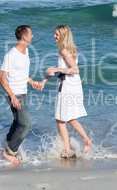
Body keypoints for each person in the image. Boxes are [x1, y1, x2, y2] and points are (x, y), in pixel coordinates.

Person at [39, 25, 91, 158]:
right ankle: (68, 148)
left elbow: (76, 69)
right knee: (61, 117)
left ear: (63, 36)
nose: (54, 36)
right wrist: (44, 80)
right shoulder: (68, 50)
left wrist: (57, 70)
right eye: (55, 34)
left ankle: (85, 140)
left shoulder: (64, 51)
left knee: (65, 117)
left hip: (68, 85)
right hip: (68, 84)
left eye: (57, 34)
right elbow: (60, 67)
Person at [0, 25, 40, 163]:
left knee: (19, 122)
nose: (32, 36)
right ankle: (9, 152)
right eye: (31, 34)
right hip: (14, 93)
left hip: (23, 91)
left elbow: (21, 74)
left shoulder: (26, 51)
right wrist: (12, 97)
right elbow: (2, 78)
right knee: (26, 125)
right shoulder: (11, 55)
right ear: (24, 37)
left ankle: (10, 139)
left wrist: (31, 81)